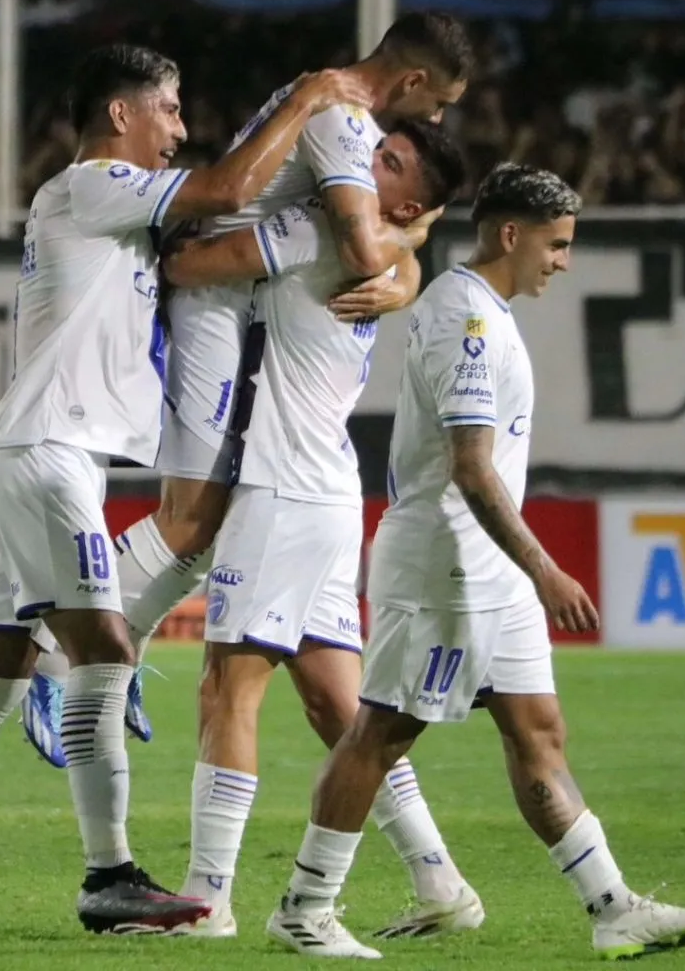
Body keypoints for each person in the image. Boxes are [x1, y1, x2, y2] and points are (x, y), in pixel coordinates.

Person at [0, 43, 376, 939]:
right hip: (47, 452)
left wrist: (397, 256)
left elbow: (219, 225)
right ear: (120, 114)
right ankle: (111, 876)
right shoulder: (91, 184)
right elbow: (227, 189)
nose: (180, 128)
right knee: (101, 650)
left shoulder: (118, 209)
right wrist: (306, 101)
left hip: (52, 453)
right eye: (168, 109)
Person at [266, 163, 685, 960]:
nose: (564, 262)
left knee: (538, 729)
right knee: (382, 732)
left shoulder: (485, 311)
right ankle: (304, 908)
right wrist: (546, 569)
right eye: (556, 244)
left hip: (488, 571)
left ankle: (613, 907)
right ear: (511, 235)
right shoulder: (467, 320)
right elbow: (472, 469)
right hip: (446, 563)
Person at [21, 11, 474, 757]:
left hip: (235, 309)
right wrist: (410, 247)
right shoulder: (342, 122)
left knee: (207, 526)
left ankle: (118, 646)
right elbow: (364, 247)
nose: (437, 118)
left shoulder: (332, 107)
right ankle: (50, 650)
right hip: (212, 305)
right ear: (415, 80)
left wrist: (409, 266)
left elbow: (374, 237)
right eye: (441, 102)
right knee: (190, 518)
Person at [153, 121, 476, 941]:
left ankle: (207, 899)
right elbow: (405, 233)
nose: (365, 159)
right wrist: (410, 252)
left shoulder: (320, 230)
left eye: (388, 162)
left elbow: (187, 266)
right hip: (325, 487)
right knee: (341, 707)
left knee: (226, 688)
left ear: (404, 203)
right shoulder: (377, 244)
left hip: (281, 488)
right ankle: (439, 878)